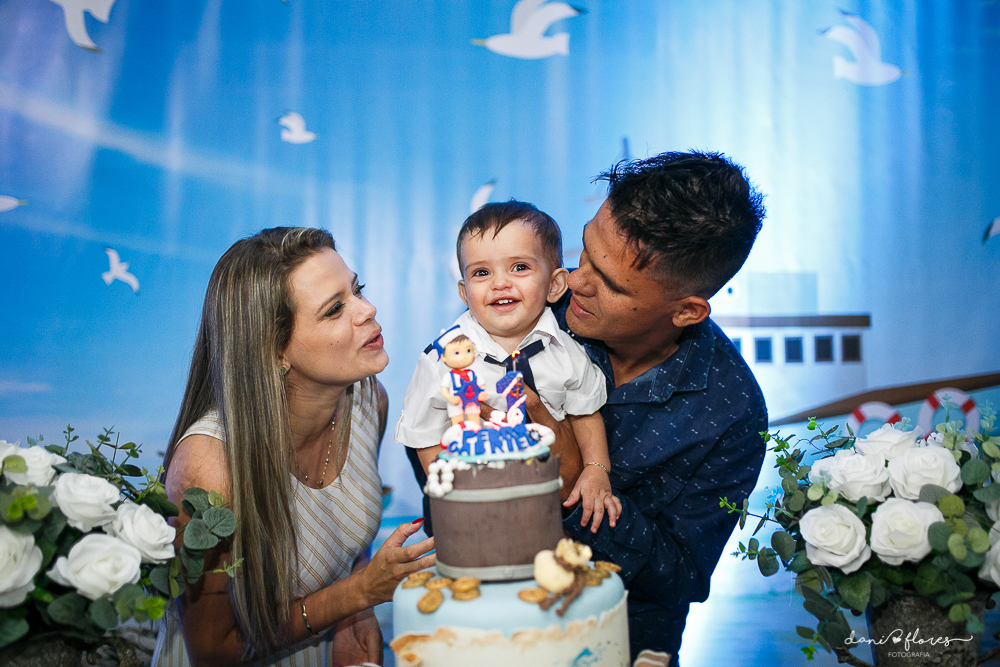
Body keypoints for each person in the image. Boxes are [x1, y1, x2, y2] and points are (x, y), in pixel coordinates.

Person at [153, 227, 435, 667]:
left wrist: (355, 612)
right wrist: (357, 595)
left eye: (358, 289)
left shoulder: (368, 401)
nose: (368, 309)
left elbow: (347, 539)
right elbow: (212, 649)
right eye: (335, 309)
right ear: (274, 350)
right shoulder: (210, 469)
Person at [529, 152, 768, 665]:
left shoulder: (730, 411)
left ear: (686, 311)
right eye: (585, 250)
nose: (576, 280)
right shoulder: (527, 310)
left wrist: (574, 477)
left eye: (611, 284)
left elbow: (682, 575)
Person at [396, 201, 620, 533]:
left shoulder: (568, 351)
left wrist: (596, 468)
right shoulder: (441, 358)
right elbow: (423, 434)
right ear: (464, 293)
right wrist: (451, 494)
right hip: (474, 509)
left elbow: (585, 413)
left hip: (551, 506)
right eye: (481, 273)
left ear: (555, 285)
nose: (500, 283)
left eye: (519, 267)